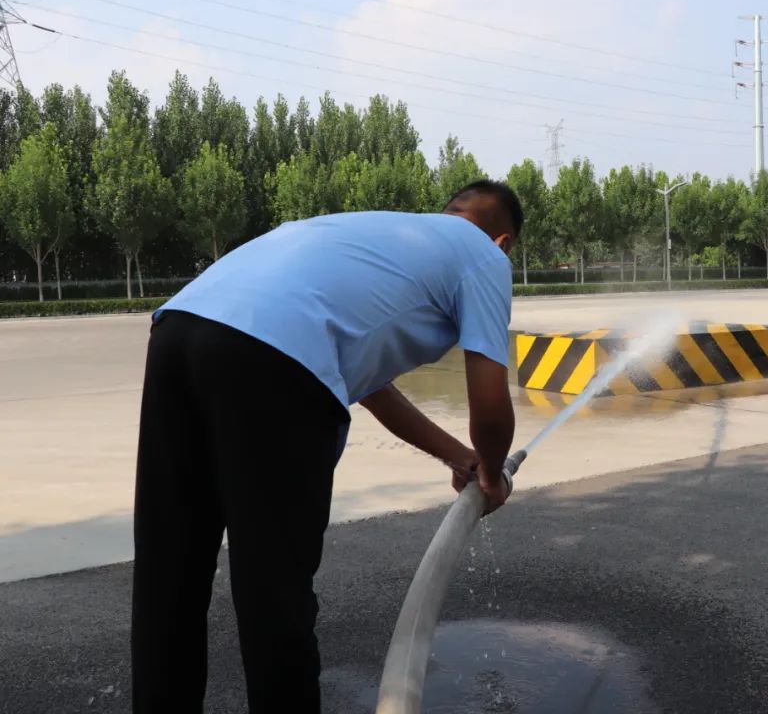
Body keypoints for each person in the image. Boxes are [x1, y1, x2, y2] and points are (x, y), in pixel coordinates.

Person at [131, 180, 522, 713]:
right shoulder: (485, 255)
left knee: (170, 573)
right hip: (271, 358)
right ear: (503, 241)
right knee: (274, 593)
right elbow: (491, 401)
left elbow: (367, 385)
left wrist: (457, 455)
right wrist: (493, 474)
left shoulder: (384, 234)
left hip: (179, 328)